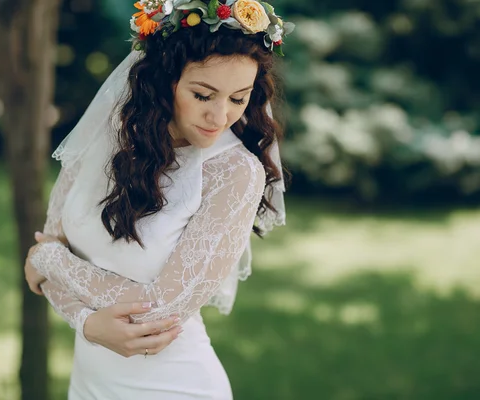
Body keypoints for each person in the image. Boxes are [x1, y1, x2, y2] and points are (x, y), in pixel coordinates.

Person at [25, 0, 293, 398]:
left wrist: (49, 260)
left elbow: (158, 310)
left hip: (174, 386)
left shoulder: (235, 173)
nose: (220, 117)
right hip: (89, 384)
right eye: (203, 95)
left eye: (238, 99)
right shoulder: (108, 134)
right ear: (165, 81)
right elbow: (46, 260)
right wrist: (85, 323)